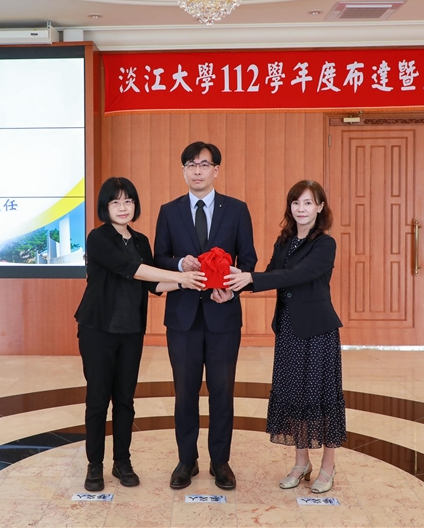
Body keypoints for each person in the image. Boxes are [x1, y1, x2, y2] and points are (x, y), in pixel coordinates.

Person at [75, 177, 207, 492]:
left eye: (128, 201)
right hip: (97, 330)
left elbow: (152, 284)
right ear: (105, 207)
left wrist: (191, 281)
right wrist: (181, 275)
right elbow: (133, 270)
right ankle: (95, 465)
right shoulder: (98, 238)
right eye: (116, 202)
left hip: (131, 331)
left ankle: (122, 462)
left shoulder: (140, 241)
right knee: (98, 399)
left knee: (125, 399)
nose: (123, 207)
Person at [224, 180, 346, 494]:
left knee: (321, 398)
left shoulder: (325, 244)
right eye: (296, 203)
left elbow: (296, 275)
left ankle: (328, 465)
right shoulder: (285, 241)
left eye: (308, 203)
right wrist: (236, 284)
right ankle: (301, 462)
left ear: (320, 207)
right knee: (295, 396)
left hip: (318, 330)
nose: (301, 209)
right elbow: (270, 274)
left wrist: (250, 277)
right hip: (289, 329)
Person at [154, 141, 257, 490]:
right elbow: (158, 258)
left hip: (223, 315)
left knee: (222, 391)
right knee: (185, 392)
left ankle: (220, 461)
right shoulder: (169, 211)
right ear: (183, 171)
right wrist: (178, 264)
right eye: (190, 165)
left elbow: (249, 259)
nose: (197, 171)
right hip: (181, 318)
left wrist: (232, 288)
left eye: (203, 164)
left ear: (216, 170)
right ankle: (187, 460)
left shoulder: (237, 209)